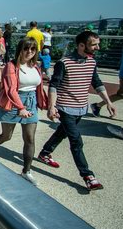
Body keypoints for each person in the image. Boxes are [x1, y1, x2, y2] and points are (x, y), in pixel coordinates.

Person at [38, 31, 117, 191]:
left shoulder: (91, 62)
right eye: (94, 44)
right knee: (76, 141)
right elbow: (54, 85)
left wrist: (107, 101)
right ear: (81, 45)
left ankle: (45, 153)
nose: (97, 47)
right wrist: (52, 107)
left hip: (81, 108)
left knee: (62, 132)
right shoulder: (64, 63)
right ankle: (88, 176)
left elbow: (96, 82)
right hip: (65, 108)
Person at [0, 38, 48, 185]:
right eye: (26, 49)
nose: (29, 52)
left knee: (30, 139)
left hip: (30, 102)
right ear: (20, 49)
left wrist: (47, 105)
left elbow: (38, 87)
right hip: (12, 102)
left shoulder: (36, 66)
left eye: (33, 49)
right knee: (7, 136)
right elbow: (10, 89)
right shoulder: (11, 66)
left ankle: (26, 171)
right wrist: (20, 108)